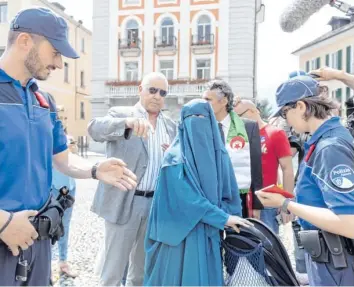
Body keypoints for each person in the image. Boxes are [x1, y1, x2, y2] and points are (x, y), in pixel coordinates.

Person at [0, 7, 137, 286]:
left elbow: (63, 159)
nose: (59, 63)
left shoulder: (44, 101)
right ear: (25, 41)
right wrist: (2, 222)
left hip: (37, 243)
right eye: (55, 51)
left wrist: (96, 169)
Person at [256, 75, 354, 286]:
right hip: (331, 257)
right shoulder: (324, 141)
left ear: (300, 106)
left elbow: (349, 222)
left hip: (337, 260)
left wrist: (285, 203)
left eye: (284, 112)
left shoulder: (330, 147)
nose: (285, 121)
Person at [144, 99, 252, 286]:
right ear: (183, 123)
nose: (197, 122)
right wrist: (223, 218)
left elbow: (230, 190)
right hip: (179, 234)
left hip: (209, 232)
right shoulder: (174, 158)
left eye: (202, 117)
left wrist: (232, 214)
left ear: (210, 121)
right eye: (191, 118)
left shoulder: (220, 153)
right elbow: (185, 198)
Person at [88, 72, 177, 286]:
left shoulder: (171, 126)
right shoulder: (120, 113)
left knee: (141, 272)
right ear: (140, 90)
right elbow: (94, 129)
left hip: (155, 205)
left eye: (162, 92)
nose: (157, 96)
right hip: (125, 201)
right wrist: (126, 123)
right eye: (152, 90)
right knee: (112, 272)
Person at [202, 80, 263, 219]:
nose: (203, 103)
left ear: (223, 101)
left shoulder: (249, 127)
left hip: (238, 198)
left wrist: (256, 206)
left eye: (208, 99)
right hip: (209, 199)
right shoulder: (199, 126)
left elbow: (256, 168)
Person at [234, 99, 294, 234]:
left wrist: (287, 204)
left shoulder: (275, 133)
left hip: (267, 201)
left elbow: (287, 169)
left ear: (253, 111)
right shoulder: (238, 137)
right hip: (242, 200)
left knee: (268, 247)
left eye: (239, 115)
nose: (236, 120)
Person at [51, 135, 78, 278]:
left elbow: (74, 161)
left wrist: (72, 148)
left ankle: (63, 262)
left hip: (70, 187)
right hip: (53, 188)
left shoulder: (68, 137)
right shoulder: (47, 136)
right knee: (49, 226)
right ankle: (46, 266)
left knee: (65, 226)